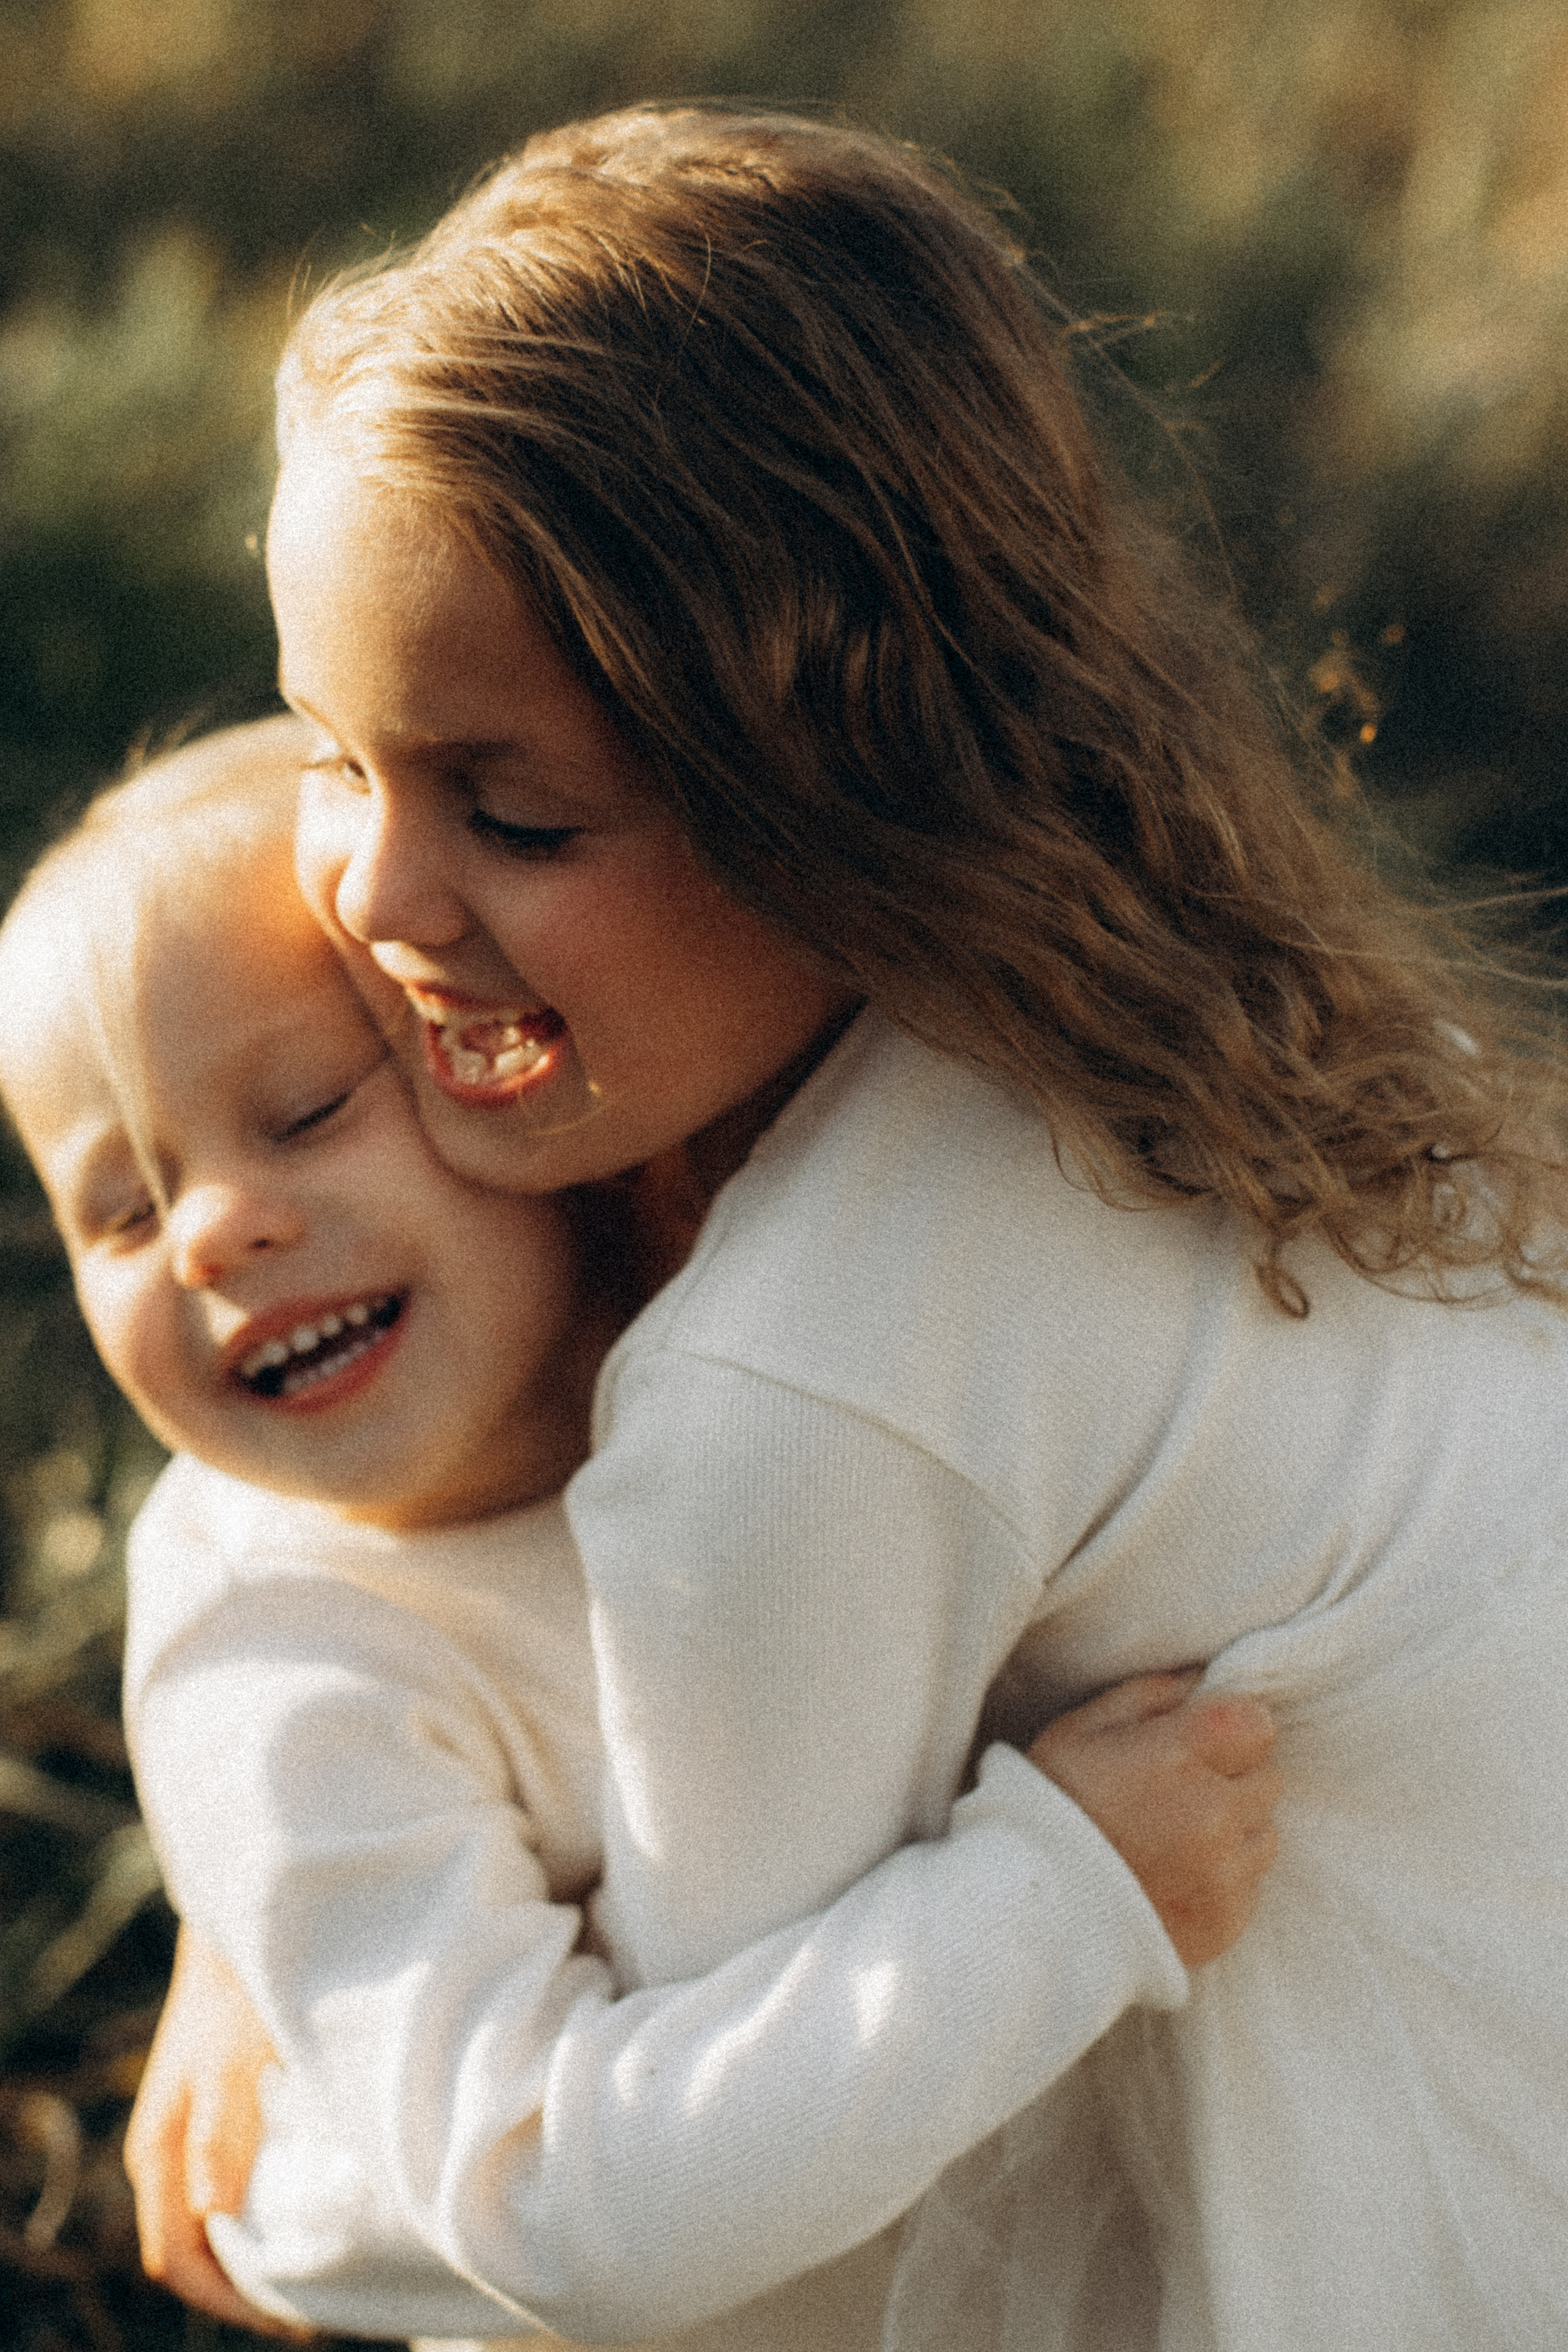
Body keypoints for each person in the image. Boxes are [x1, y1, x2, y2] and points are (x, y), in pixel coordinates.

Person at [135, 102, 1568, 2349]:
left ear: (834, 779)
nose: (377, 900)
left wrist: (297, 2159)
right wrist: (257, 1888)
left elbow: (706, 2214)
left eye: (508, 810)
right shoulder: (1163, 996)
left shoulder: (800, 1388)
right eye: (332, 751)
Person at [0, 720, 1279, 2348]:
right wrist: (1062, 1898)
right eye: (116, 1209)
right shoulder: (284, 1666)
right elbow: (541, 2196)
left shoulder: (756, 1330)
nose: (209, 1231)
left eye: (309, 1107)